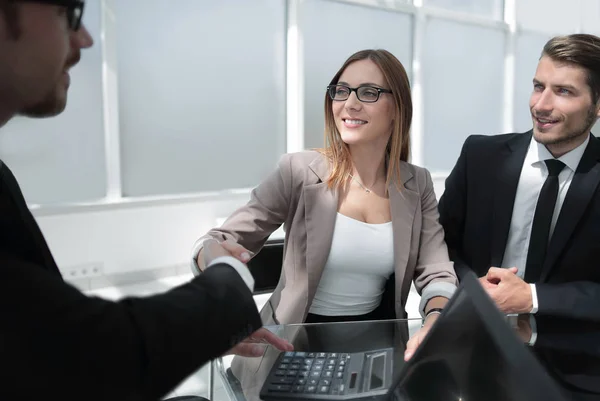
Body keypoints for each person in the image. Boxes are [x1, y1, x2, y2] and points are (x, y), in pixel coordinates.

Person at [0, 1, 291, 400]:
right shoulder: (297, 170)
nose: (84, 39)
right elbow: (88, 357)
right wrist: (227, 276)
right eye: (69, 12)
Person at [191, 49, 459, 360]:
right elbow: (217, 242)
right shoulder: (298, 172)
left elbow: (437, 272)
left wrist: (436, 318)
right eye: (341, 91)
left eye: (369, 92)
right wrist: (214, 258)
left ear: (398, 107)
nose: (350, 103)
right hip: (289, 346)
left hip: (375, 349)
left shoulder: (416, 183)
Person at [439, 33, 600, 322]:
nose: (541, 105)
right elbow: (438, 244)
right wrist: (473, 287)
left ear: (598, 105)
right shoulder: (480, 157)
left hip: (577, 354)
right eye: (539, 87)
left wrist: (532, 298)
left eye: (563, 91)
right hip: (477, 337)